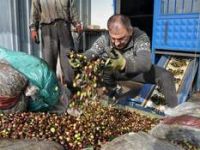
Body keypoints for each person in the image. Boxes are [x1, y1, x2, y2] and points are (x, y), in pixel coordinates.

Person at [83, 14, 178, 108]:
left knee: (165, 75)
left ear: (130, 31)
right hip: (114, 72)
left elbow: (145, 63)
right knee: (104, 68)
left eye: (121, 39)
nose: (117, 43)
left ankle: (175, 112)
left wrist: (123, 63)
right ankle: (112, 94)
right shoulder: (105, 38)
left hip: (136, 71)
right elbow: (92, 52)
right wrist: (79, 59)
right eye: (113, 39)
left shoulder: (140, 37)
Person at [29, 0, 83, 90]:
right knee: (49, 61)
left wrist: (77, 23)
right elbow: (35, 10)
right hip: (47, 28)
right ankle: (51, 92)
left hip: (64, 27)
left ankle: (72, 91)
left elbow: (72, 8)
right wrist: (33, 28)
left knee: (69, 61)